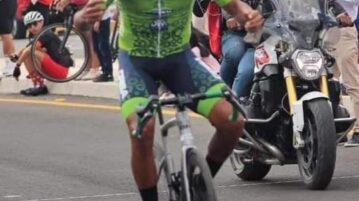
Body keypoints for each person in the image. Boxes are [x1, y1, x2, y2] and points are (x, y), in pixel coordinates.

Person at [74, 0, 263, 201]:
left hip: (179, 61)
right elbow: (80, 22)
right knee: (142, 130)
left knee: (233, 121)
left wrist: (250, 17)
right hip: (136, 63)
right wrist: (83, 19)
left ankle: (200, 185)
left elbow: (236, 7)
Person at [12, 11, 73, 96]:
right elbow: (24, 50)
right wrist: (16, 56)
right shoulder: (38, 35)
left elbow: (29, 50)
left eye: (34, 24)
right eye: (29, 26)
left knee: (31, 52)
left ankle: (40, 86)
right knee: (26, 53)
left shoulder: (46, 34)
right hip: (52, 69)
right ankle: (36, 84)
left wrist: (17, 66)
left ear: (41, 22)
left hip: (61, 71)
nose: (32, 27)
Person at [331, 0, 359, 147]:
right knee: (329, 82)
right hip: (320, 32)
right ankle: (337, 128)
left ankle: (358, 130)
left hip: (343, 30)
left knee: (351, 83)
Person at [92, 5, 115, 82]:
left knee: (103, 46)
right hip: (94, 18)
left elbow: (103, 5)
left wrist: (98, 20)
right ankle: (104, 71)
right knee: (97, 47)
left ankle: (108, 72)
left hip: (102, 19)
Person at [0, 0, 17, 77]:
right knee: (7, 33)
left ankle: (10, 64)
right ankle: (12, 63)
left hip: (5, 3)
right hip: (8, 3)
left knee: (5, 33)